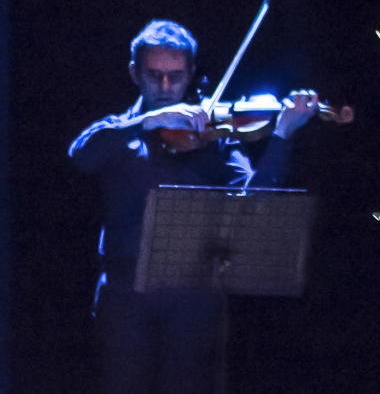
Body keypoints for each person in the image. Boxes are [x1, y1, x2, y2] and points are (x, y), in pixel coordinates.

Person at [69, 20, 319, 393]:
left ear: (191, 75)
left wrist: (282, 134)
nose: (167, 88)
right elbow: (80, 155)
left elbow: (254, 203)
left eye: (177, 76)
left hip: (194, 304)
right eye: (155, 76)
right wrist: (146, 121)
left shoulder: (212, 136)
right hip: (126, 299)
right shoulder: (120, 129)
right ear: (134, 74)